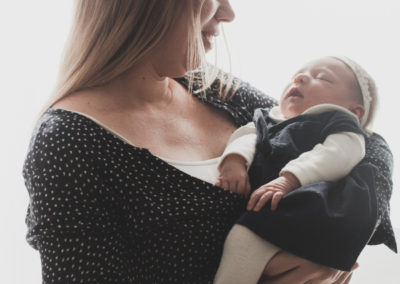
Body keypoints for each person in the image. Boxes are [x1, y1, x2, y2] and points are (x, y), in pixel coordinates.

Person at [22, 1, 395, 283]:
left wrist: (341, 242)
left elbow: (361, 138)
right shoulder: (69, 143)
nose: (229, 13)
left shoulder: (214, 86)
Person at [214, 56, 397, 283]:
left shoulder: (339, 124)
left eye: (322, 77)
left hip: (303, 206)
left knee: (246, 239)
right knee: (242, 241)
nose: (300, 78)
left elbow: (336, 154)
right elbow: (247, 135)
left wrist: (289, 179)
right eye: (297, 76)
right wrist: (234, 161)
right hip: (266, 206)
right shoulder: (269, 118)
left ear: (355, 111)